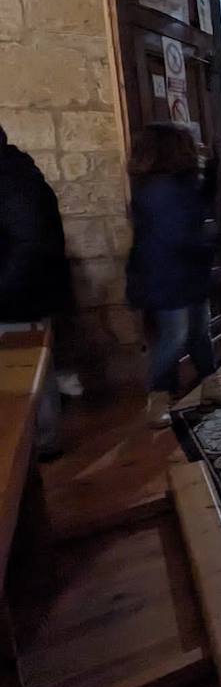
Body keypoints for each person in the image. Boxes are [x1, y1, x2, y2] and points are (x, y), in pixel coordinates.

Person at [125, 123, 221, 427]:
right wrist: (209, 245)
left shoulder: (174, 182)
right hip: (166, 273)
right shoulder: (159, 189)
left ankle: (211, 385)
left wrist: (215, 164)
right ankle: (158, 397)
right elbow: (176, 233)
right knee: (174, 337)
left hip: (185, 270)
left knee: (199, 332)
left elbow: (195, 205)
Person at [0, 122, 74, 456]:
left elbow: (31, 242)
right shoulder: (16, 173)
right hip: (20, 294)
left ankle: (36, 453)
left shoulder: (12, 179)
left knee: (31, 378)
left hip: (17, 298)